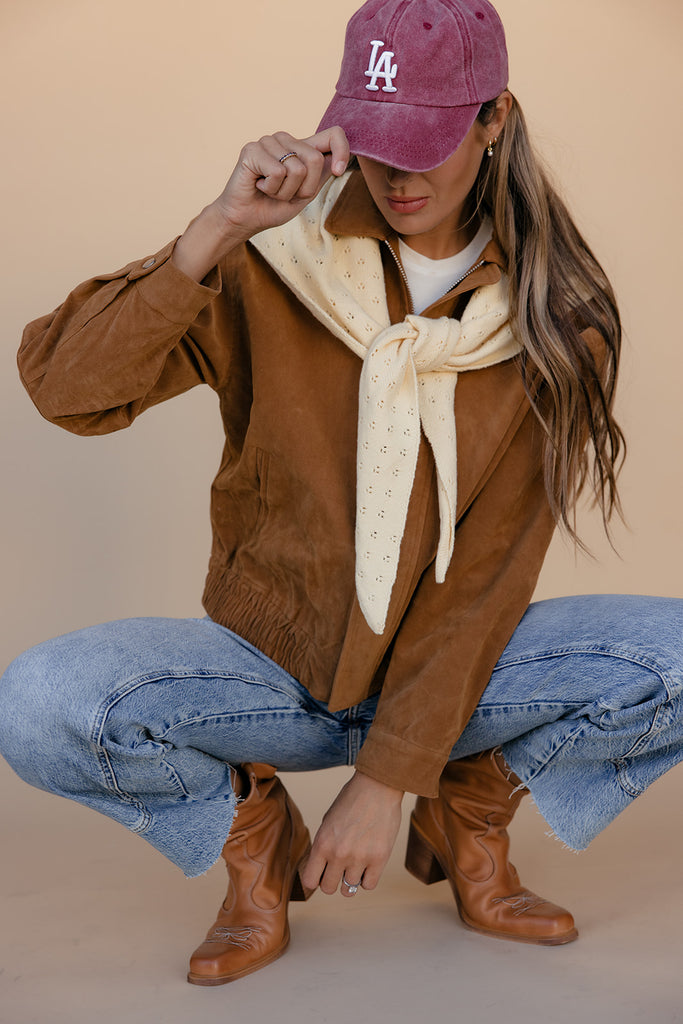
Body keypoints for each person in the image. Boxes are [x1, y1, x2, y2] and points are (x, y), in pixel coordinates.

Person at [1, 0, 681, 988]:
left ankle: (468, 807)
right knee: (37, 701)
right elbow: (64, 386)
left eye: (425, 140)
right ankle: (253, 831)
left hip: (456, 685)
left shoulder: (552, 316)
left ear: (492, 119)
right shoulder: (275, 259)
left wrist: (389, 777)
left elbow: (487, 576)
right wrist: (218, 226)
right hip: (269, 673)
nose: (396, 175)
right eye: (374, 141)